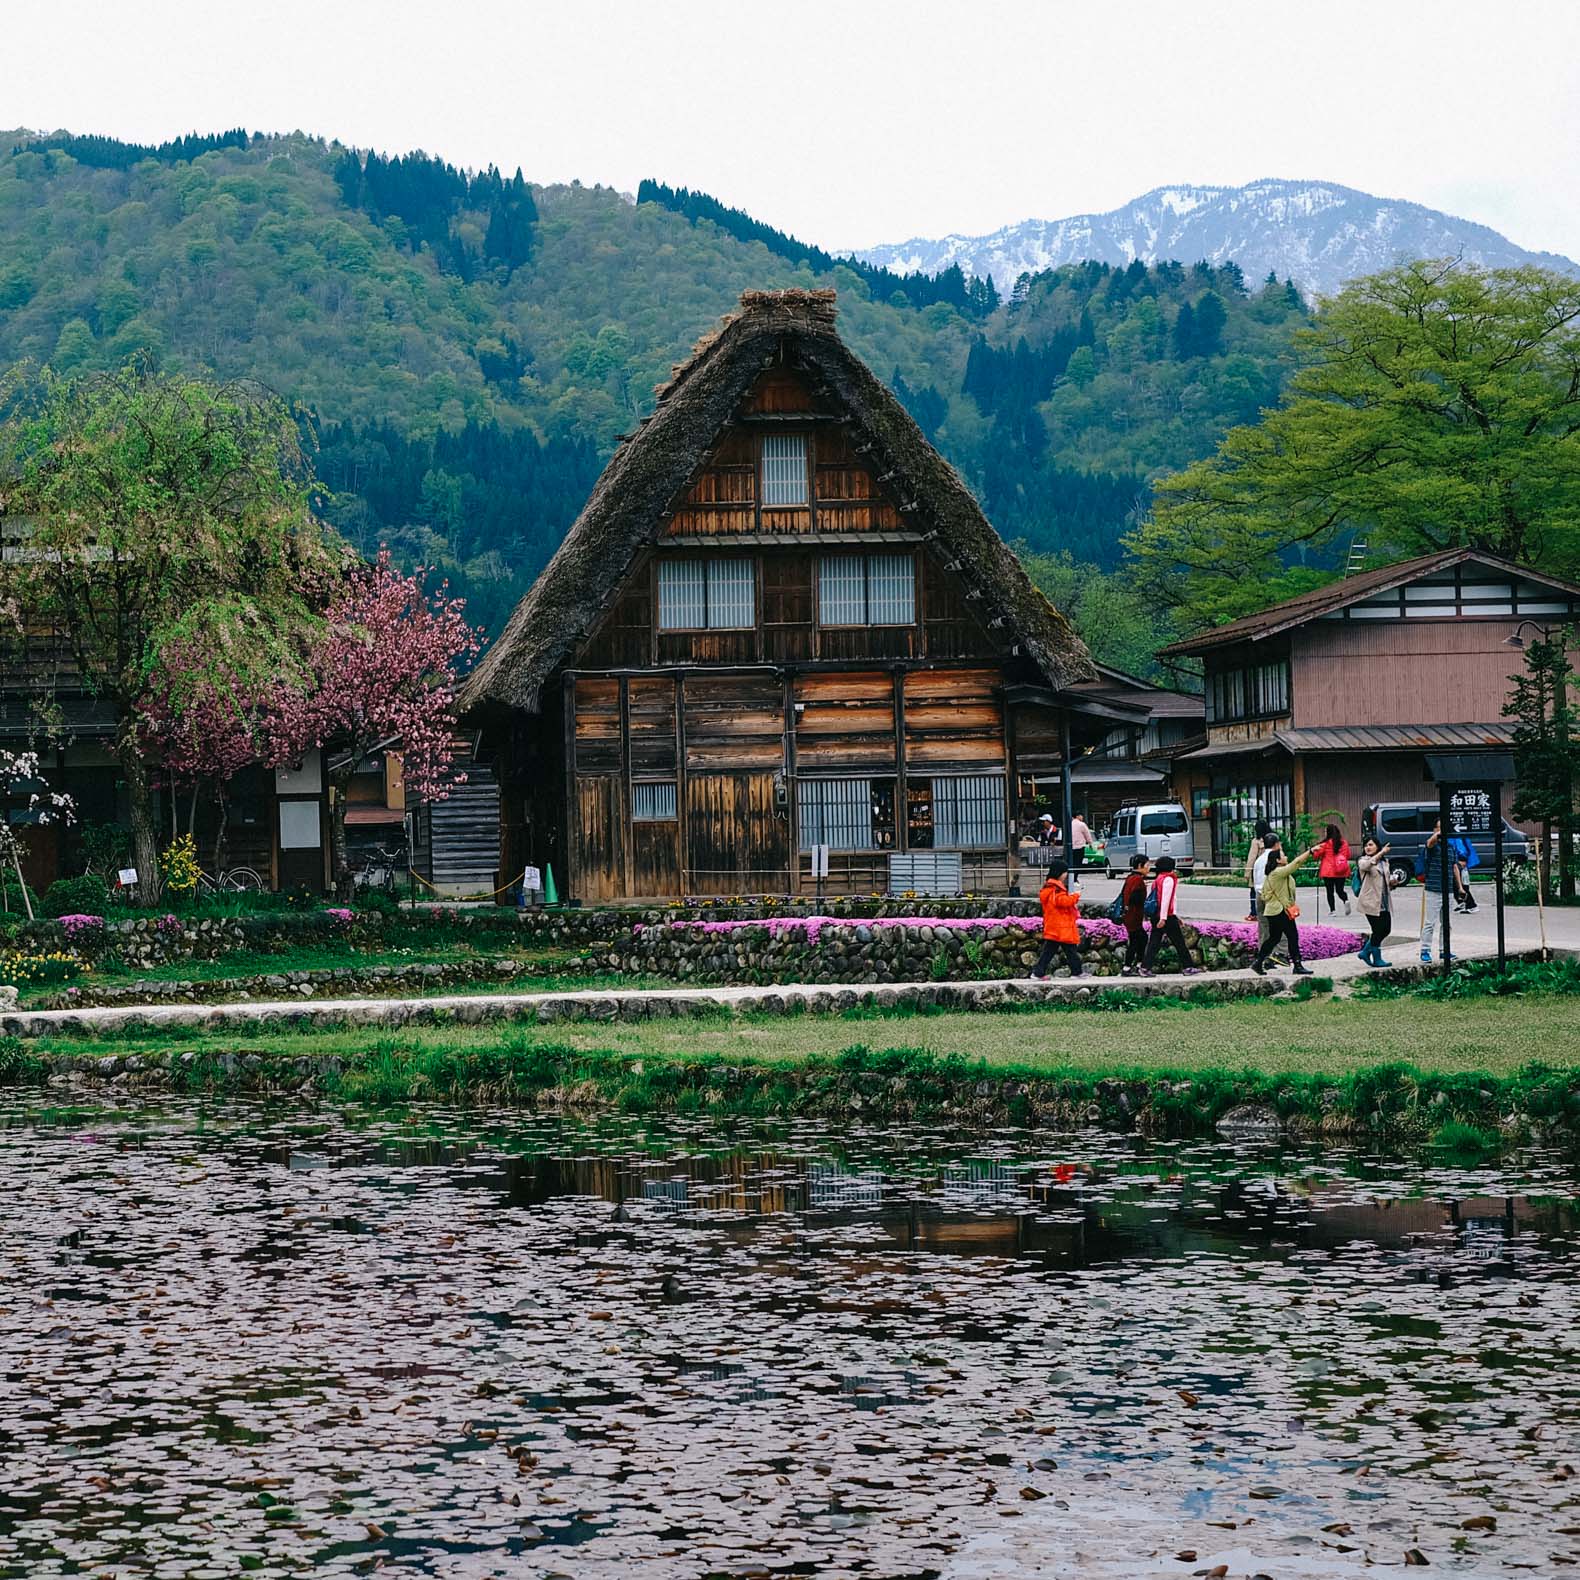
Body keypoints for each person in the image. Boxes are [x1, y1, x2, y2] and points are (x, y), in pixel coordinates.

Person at [1251, 843, 1317, 976]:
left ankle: (1258, 963)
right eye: (1282, 855)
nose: (1285, 856)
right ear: (1277, 860)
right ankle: (1297, 965)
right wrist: (1309, 852)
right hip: (1279, 911)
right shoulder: (1277, 873)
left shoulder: (1276, 874)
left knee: (1274, 938)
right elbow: (1296, 863)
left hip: (1274, 911)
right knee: (1292, 936)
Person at [1142, 854, 1200, 974]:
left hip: (1157, 915)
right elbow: (1166, 900)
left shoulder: (1158, 879)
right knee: (1179, 943)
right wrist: (1164, 918)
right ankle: (1188, 966)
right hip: (1166, 917)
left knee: (1154, 943)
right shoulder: (1168, 879)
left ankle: (1145, 967)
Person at [1031, 859, 1083, 979]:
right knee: (1070, 949)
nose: (1066, 875)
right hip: (1061, 925)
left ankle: (1038, 972)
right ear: (1060, 873)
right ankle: (1077, 972)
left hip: (1054, 925)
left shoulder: (1049, 887)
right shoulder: (1056, 889)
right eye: (1065, 872)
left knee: (1050, 951)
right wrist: (1076, 895)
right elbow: (1063, 902)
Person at [1355, 837, 1398, 967]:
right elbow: (1367, 866)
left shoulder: (1385, 863)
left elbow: (1385, 883)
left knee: (1386, 929)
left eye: (1370, 845)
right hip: (1370, 902)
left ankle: (1365, 952)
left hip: (1383, 901)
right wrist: (1382, 853)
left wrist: (1393, 883)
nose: (1367, 847)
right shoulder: (1363, 860)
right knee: (1378, 930)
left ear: (1377, 846)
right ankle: (1376, 958)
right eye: (1366, 845)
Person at [1419, 821, 1456, 964]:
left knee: (1447, 923)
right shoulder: (1433, 846)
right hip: (1433, 889)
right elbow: (1429, 843)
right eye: (1440, 827)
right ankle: (1425, 950)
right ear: (1435, 829)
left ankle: (1444, 950)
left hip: (1449, 890)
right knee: (1430, 922)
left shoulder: (1451, 847)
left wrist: (1459, 887)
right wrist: (1439, 833)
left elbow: (1455, 868)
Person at [1119, 853, 1151, 976]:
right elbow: (1136, 899)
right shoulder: (1138, 880)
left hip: (1129, 916)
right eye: (1147, 865)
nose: (1148, 868)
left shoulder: (1130, 878)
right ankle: (1128, 967)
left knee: (1141, 939)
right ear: (1140, 865)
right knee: (1136, 941)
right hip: (1134, 916)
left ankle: (1136, 965)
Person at [1315, 822, 1352, 916]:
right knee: (1340, 890)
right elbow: (1348, 855)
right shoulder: (1344, 843)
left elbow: (1316, 855)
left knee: (1330, 892)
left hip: (1328, 871)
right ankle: (1345, 900)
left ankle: (1333, 910)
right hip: (1341, 870)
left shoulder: (1325, 844)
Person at [1243, 818, 1274, 923]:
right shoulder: (1273, 839)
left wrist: (1247, 873)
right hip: (1271, 869)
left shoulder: (1256, 841)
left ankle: (1254, 913)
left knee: (1254, 891)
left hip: (1257, 870)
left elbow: (1251, 858)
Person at [1449, 833, 1480, 912]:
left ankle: (1471, 905)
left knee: (1459, 884)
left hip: (1459, 862)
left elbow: (1461, 848)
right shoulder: (1455, 835)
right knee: (1456, 883)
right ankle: (1462, 902)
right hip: (1457, 861)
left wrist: (1462, 859)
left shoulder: (1455, 835)